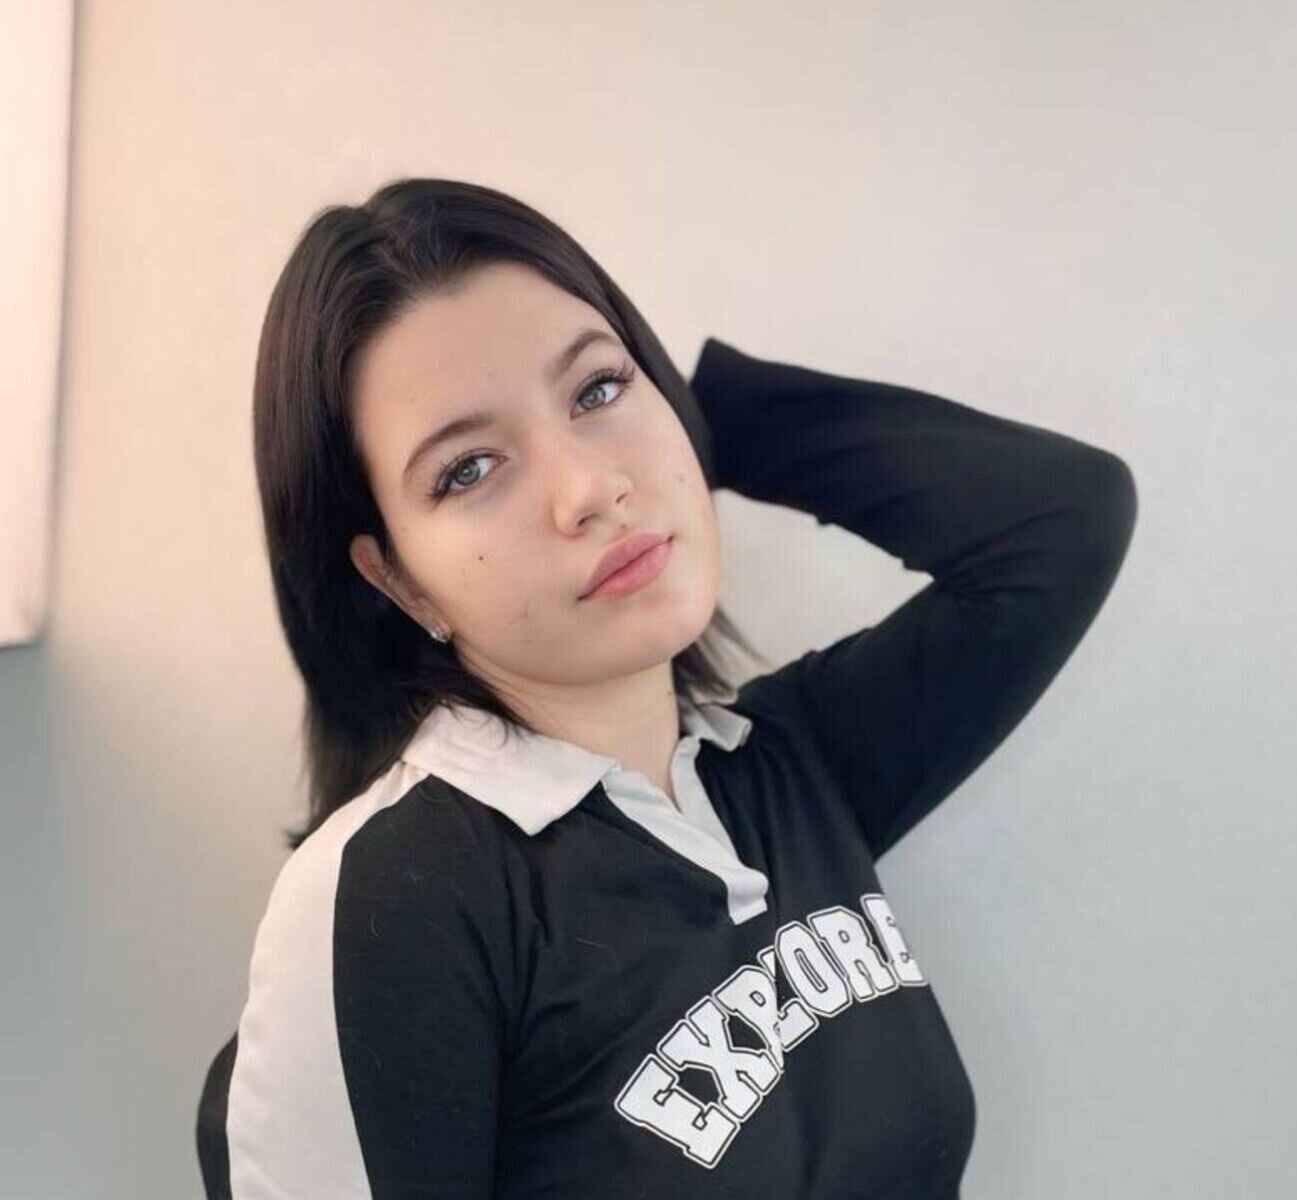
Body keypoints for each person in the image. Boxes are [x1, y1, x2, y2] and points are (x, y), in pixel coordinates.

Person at [195, 176, 1138, 1200]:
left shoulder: (782, 765)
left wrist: (701, 422)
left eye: (599, 390)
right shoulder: (404, 898)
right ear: (395, 577)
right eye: (469, 469)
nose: (590, 487)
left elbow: (1063, 522)